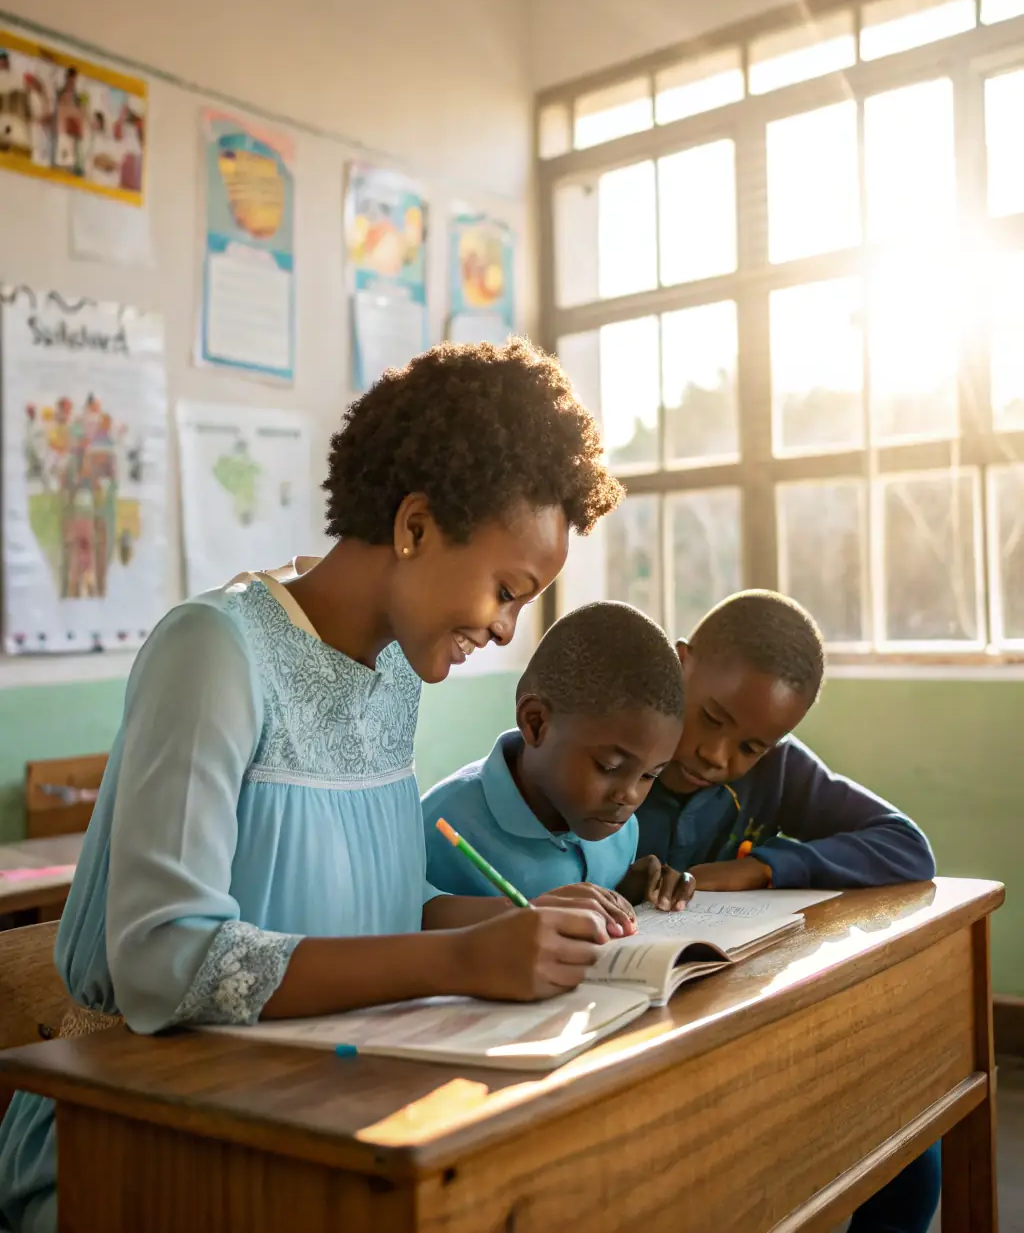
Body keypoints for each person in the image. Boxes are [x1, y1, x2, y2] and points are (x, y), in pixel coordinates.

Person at [0, 339, 626, 1233]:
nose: (505, 630)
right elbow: (164, 960)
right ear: (415, 526)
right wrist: (460, 959)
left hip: (305, 1108)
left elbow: (371, 911)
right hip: (132, 1136)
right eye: (506, 590)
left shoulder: (396, 672)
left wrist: (510, 923)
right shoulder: (213, 649)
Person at [635, 589, 939, 1233]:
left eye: (750, 746)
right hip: (637, 1027)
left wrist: (766, 867)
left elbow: (906, 845)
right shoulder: (607, 743)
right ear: (680, 664)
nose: (719, 757)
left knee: (911, 1140)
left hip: (742, 1011)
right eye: (712, 718)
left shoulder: (775, 772)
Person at [423, 600, 693, 921]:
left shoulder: (620, 831)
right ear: (536, 723)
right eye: (608, 767)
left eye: (649, 776)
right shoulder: (438, 828)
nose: (629, 795)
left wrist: (629, 893)